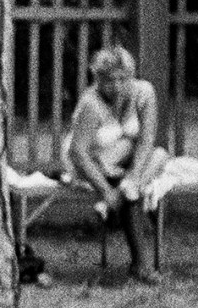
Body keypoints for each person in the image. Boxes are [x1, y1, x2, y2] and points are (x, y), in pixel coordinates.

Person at [62, 44, 169, 285]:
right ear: (97, 79)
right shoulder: (91, 103)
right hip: (91, 162)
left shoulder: (144, 93)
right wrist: (106, 191)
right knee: (130, 181)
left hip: (126, 161)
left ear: (131, 76)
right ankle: (142, 266)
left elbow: (147, 139)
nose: (117, 86)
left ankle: (125, 190)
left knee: (159, 156)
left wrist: (132, 178)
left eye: (123, 79)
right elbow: (77, 152)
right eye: (109, 80)